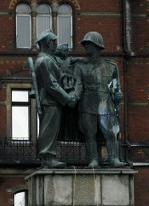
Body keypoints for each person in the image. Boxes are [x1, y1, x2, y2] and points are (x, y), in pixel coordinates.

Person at [74, 31, 126, 168]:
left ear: (97, 46)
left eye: (89, 44)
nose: (86, 47)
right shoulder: (80, 66)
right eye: (85, 45)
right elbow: (78, 86)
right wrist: (72, 98)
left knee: (110, 133)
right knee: (89, 133)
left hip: (106, 103)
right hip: (87, 103)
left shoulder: (111, 66)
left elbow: (116, 87)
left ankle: (113, 158)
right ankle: (93, 160)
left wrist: (118, 96)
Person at [33, 30, 75, 168]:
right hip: (50, 100)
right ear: (47, 43)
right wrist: (67, 98)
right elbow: (52, 85)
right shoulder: (44, 60)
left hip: (52, 100)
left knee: (51, 128)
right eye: (54, 42)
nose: (56, 45)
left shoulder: (47, 59)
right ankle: (47, 157)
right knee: (49, 128)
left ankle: (48, 156)